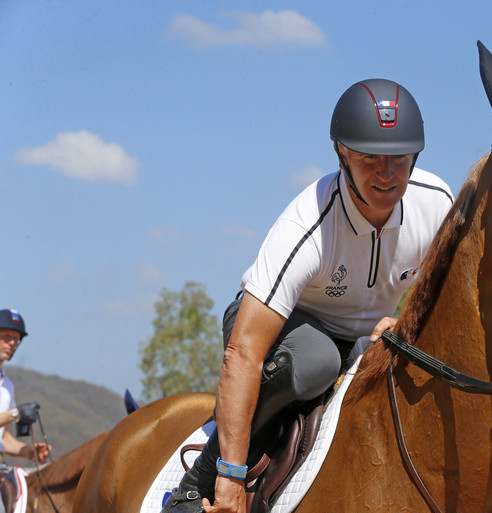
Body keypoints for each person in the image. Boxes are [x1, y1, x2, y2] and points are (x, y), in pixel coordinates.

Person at [162, 78, 454, 513]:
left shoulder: (437, 203)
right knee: (318, 361)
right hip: (273, 330)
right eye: (370, 158)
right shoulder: (308, 222)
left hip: (360, 342)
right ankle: (196, 482)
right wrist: (228, 477)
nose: (387, 174)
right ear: (342, 155)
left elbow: (444, 294)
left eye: (399, 159)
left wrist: (409, 315)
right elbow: (243, 353)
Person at [0, 309, 52, 464]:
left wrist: (29, 451)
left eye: (16, 339)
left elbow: (4, 437)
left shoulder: (8, 385)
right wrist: (16, 413)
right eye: (6, 336)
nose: (11, 342)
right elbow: (11, 415)